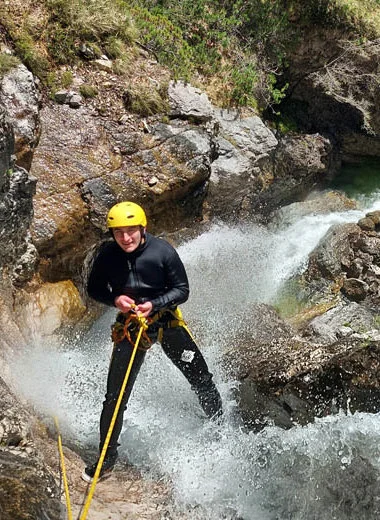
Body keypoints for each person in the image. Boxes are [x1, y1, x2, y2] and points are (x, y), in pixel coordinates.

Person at [82, 201, 223, 482]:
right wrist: (115, 300)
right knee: (115, 397)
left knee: (201, 379)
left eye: (131, 231)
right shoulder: (108, 256)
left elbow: (182, 290)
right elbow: (94, 288)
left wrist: (155, 304)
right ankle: (107, 460)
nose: (126, 238)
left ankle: (222, 431)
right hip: (131, 328)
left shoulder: (162, 252)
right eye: (119, 232)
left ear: (142, 228)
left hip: (167, 323)